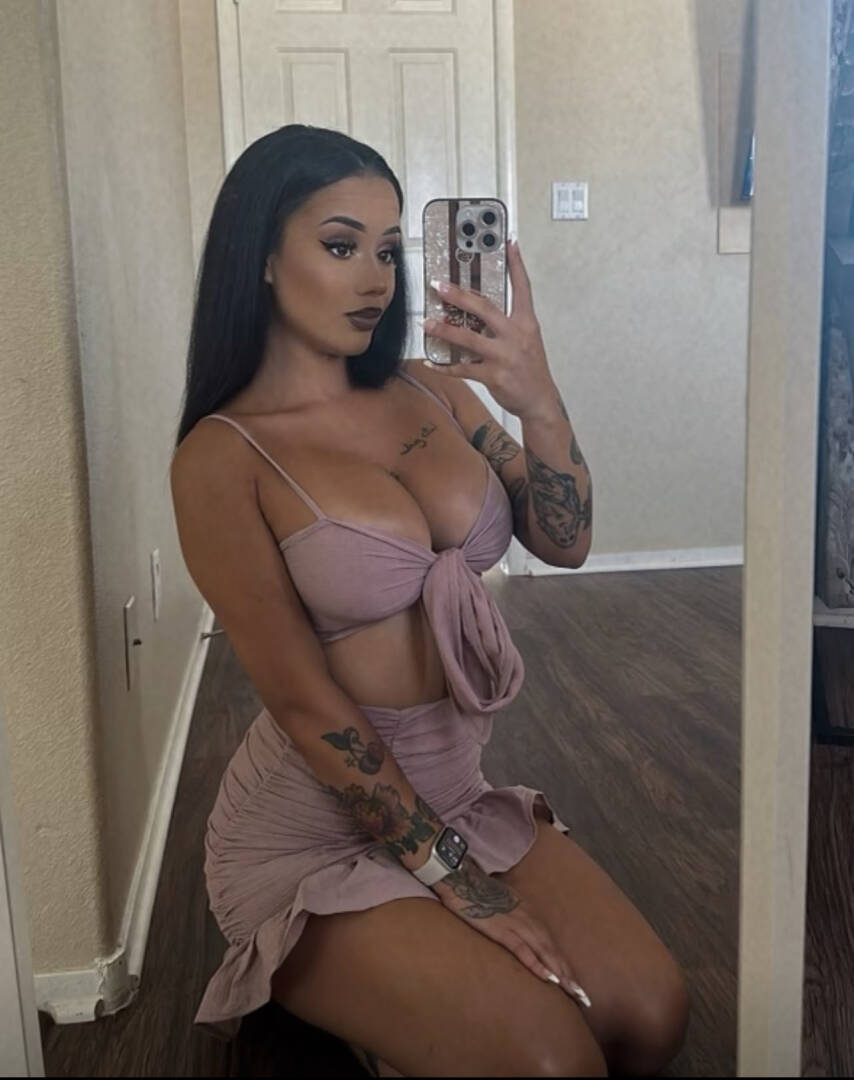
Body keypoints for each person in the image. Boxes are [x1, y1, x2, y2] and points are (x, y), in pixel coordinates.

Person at [170, 124, 688, 1077]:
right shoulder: (222, 456)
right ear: (263, 259)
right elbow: (303, 701)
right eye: (340, 245)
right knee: (553, 1064)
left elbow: (565, 542)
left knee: (652, 1018)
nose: (375, 278)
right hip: (310, 833)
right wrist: (454, 880)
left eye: (388, 248)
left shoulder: (433, 390)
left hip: (455, 790)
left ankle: (406, 1018)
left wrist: (539, 400)